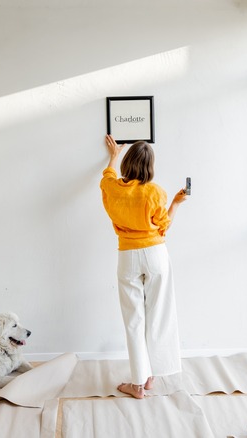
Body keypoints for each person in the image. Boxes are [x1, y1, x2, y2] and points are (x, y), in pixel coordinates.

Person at [100, 134, 189, 399]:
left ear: (127, 163)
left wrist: (113, 155)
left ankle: (139, 382)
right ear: (150, 166)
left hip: (127, 255)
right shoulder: (155, 192)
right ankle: (154, 375)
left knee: (133, 321)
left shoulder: (112, 188)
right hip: (155, 254)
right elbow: (164, 225)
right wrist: (175, 202)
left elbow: (106, 175)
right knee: (159, 315)